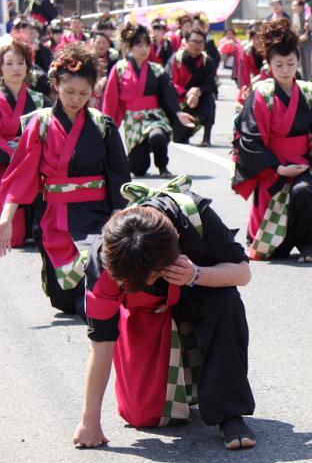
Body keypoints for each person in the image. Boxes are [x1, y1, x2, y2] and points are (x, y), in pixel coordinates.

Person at [74, 178, 256, 450]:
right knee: (142, 415)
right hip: (145, 314)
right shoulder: (106, 260)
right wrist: (90, 421)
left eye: (154, 274)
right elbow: (101, 346)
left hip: (196, 291)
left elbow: (243, 273)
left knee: (226, 299)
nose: (148, 281)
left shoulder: (193, 217)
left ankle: (230, 414)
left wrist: (197, 274)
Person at [0, 43, 130, 316]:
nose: (76, 99)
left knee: (91, 289)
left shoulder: (102, 124)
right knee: (64, 302)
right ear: (56, 85)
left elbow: (118, 173)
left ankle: (99, 299)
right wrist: (7, 218)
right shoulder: (41, 122)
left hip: (96, 215)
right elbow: (22, 173)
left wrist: (118, 216)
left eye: (84, 93)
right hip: (53, 216)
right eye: (69, 91)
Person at [232, 19, 312, 263]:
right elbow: (250, 137)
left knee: (305, 191)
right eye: (279, 64)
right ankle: (274, 240)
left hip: (302, 161)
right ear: (269, 65)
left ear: (298, 62)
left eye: (290, 63)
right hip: (270, 165)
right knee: (271, 252)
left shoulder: (308, 92)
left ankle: (307, 244)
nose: (285, 70)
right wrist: (276, 167)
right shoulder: (261, 94)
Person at [103, 23, 196, 178]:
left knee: (157, 137)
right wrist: (107, 125)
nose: (144, 49)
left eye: (147, 45)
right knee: (138, 169)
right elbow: (111, 98)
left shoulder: (156, 69)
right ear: (130, 46)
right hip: (133, 120)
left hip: (154, 116)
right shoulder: (119, 69)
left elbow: (168, 93)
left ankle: (162, 166)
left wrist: (178, 112)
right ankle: (141, 151)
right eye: (139, 45)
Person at [0, 40, 50, 247]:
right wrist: (13, 154)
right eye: (9, 63)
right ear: (1, 67)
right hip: (4, 162)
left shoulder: (40, 100)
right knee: (17, 239)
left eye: (21, 63)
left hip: (33, 159)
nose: (16, 68)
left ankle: (41, 224)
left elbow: (50, 132)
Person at [166, 28, 217, 147]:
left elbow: (210, 85)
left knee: (210, 101)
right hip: (179, 100)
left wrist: (198, 91)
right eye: (194, 41)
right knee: (179, 138)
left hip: (199, 99)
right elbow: (169, 83)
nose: (197, 45)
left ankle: (206, 137)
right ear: (186, 42)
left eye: (201, 42)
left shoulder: (207, 61)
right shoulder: (176, 59)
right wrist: (187, 93)